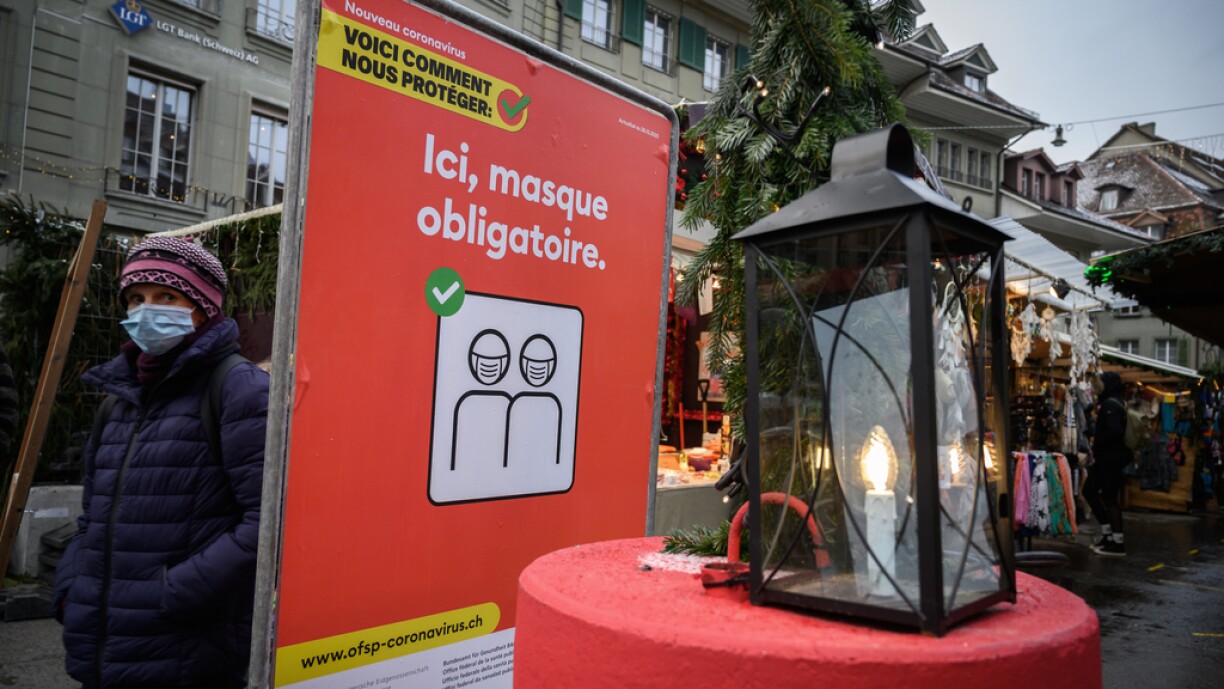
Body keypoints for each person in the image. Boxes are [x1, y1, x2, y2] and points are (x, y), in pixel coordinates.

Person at [53, 237, 269, 688]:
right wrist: (73, 587)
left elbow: (265, 523)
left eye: (166, 297)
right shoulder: (119, 399)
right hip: (102, 646)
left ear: (204, 305)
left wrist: (171, 592)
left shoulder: (238, 389)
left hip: (188, 651)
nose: (145, 311)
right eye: (136, 298)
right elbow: (91, 517)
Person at [1084, 371, 1128, 556]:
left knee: (1095, 493)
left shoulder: (1110, 405)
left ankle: (1116, 542)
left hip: (1108, 460)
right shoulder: (1118, 402)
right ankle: (1111, 537)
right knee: (1106, 496)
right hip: (1112, 460)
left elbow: (1116, 431)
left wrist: (1098, 438)